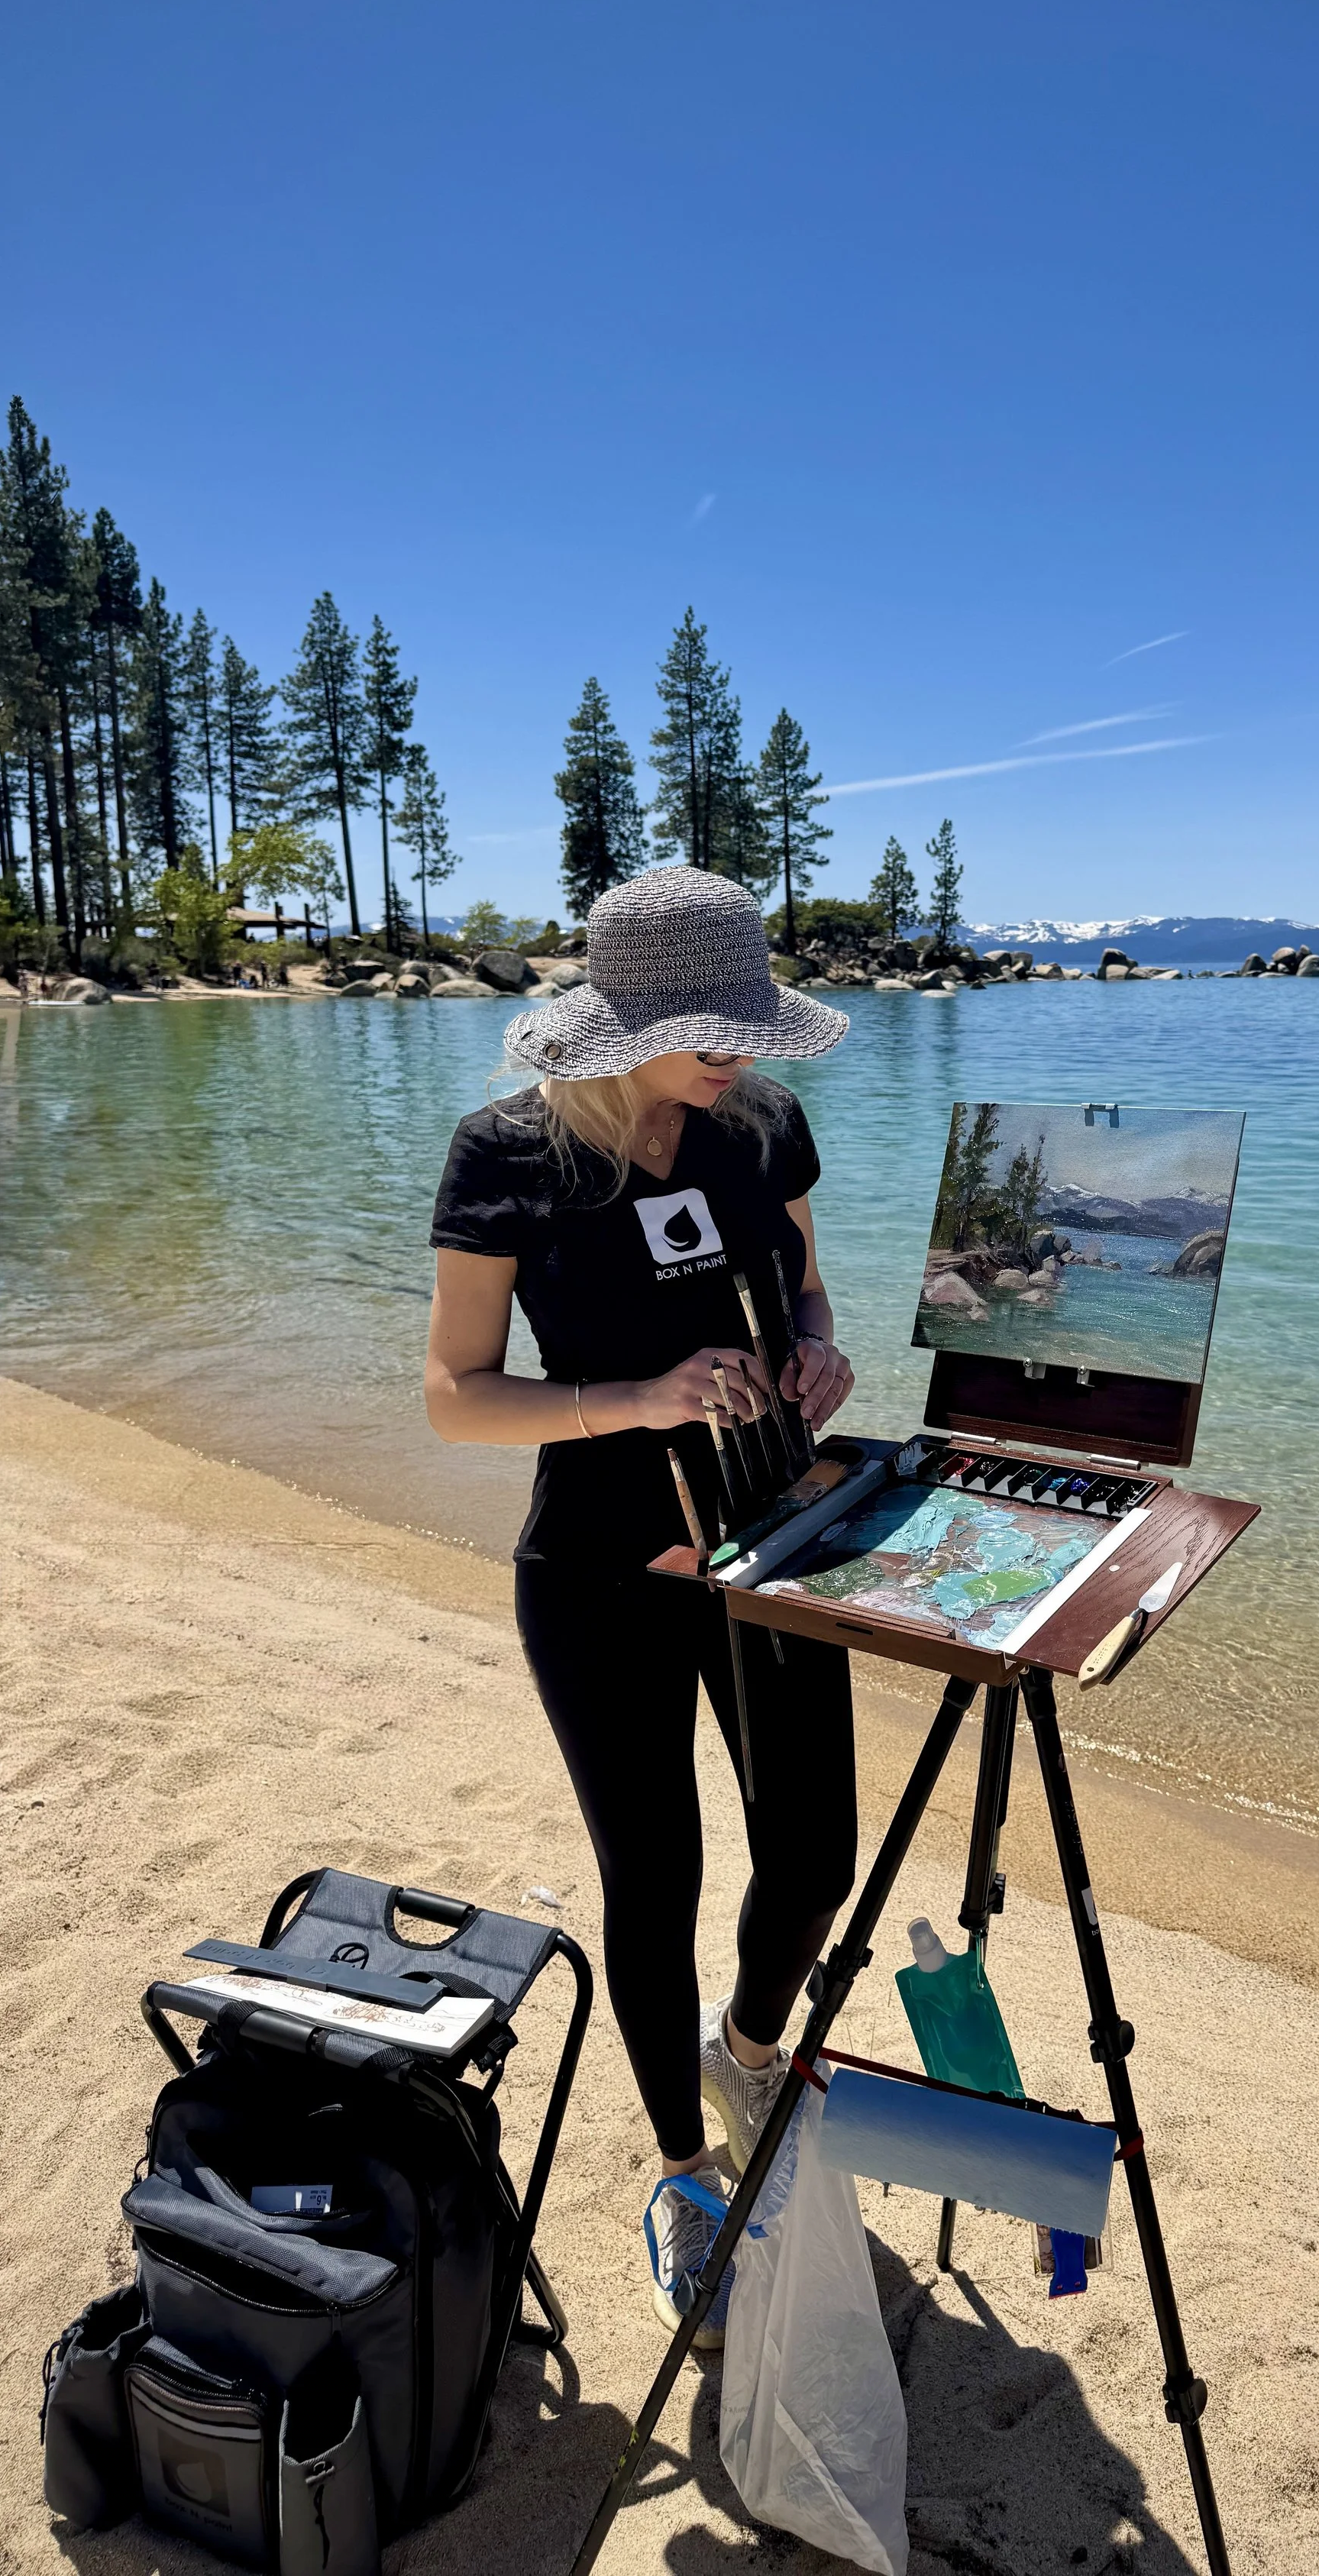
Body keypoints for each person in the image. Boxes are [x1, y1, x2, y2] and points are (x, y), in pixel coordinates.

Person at [425, 868, 855, 2346]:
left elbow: (801, 1288)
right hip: (599, 1574)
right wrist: (641, 1397)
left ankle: (746, 2049)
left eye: (748, 1019)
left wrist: (814, 1352)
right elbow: (454, 1399)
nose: (736, 1050)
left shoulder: (756, 1125)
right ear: (617, 1024)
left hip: (771, 1540)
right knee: (653, 1879)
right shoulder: (510, 1156)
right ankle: (680, 2172)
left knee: (813, 1858)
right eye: (704, 1026)